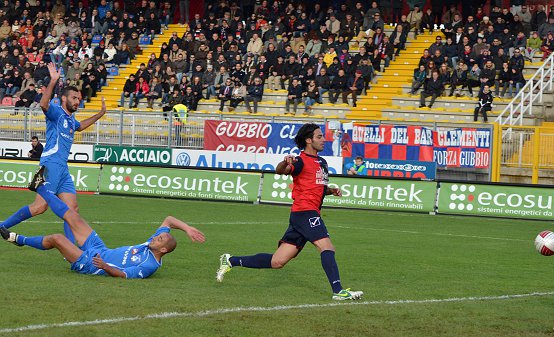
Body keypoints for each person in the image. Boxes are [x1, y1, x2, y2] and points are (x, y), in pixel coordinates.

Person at [216, 123, 363, 301]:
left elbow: (316, 188)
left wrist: (330, 190)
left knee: (277, 261)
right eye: (319, 137)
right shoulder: (300, 161)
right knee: (327, 247)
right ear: (308, 140)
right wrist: (285, 162)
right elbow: (281, 171)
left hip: (301, 216)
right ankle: (338, 291)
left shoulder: (322, 162)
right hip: (305, 213)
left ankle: (230, 260)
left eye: (322, 136)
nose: (323, 139)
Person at [0, 175, 205, 278]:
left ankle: (17, 239)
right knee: (73, 216)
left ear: (162, 250)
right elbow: (169, 220)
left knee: (57, 238)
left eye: (159, 239)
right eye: (158, 236)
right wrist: (187, 228)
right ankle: (40, 187)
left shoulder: (150, 265)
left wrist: (105, 267)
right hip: (100, 248)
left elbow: (126, 275)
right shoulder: (150, 245)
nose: (155, 237)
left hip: (93, 263)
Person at [0, 63, 106, 244]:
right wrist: (53, 81)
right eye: (74, 97)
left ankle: (71, 251)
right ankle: (3, 225)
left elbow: (81, 126)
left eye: (79, 98)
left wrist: (100, 114)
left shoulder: (71, 120)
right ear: (64, 99)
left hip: (62, 168)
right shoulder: (56, 112)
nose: (77, 101)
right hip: (50, 164)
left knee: (72, 208)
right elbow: (43, 103)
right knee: (40, 207)